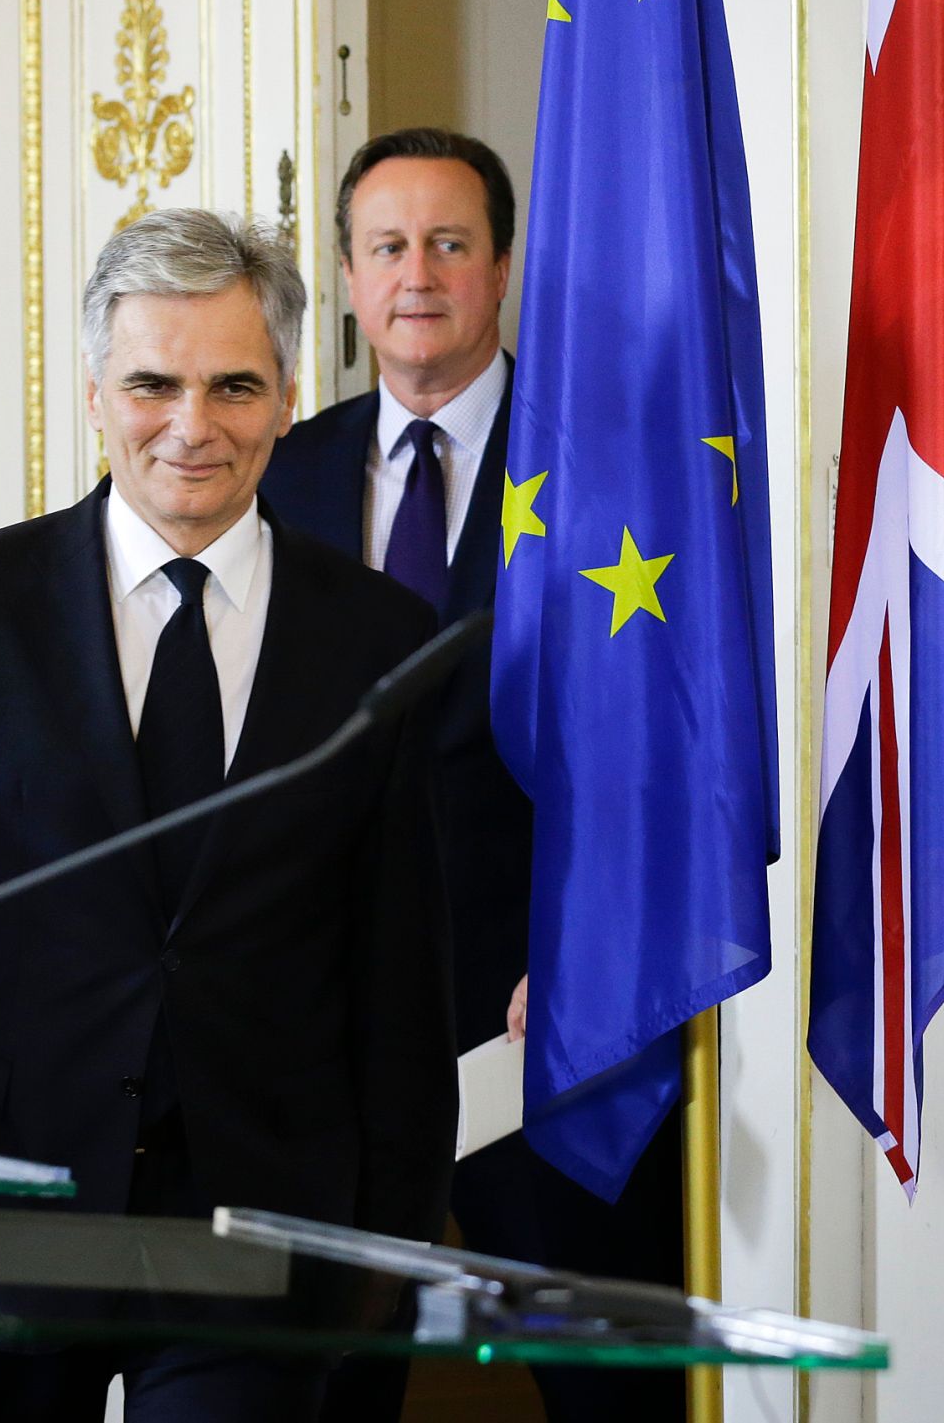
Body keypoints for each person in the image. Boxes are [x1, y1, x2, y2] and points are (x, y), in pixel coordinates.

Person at [0, 208, 457, 1423]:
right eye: (151, 383)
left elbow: (399, 975)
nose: (192, 425)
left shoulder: (376, 638)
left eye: (234, 384)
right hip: (3, 1200)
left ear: (287, 395)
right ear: (91, 391)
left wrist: (389, 1241)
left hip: (259, 1221)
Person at [260, 128, 684, 1422]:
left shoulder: (608, 472)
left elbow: (658, 743)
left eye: (451, 242)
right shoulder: (280, 471)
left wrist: (586, 944)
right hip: (325, 1018)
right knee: (323, 1379)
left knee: (606, 1374)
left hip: (543, 998)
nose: (419, 273)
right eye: (388, 246)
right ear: (344, 277)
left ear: (501, 268)